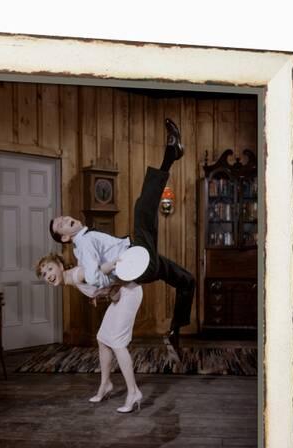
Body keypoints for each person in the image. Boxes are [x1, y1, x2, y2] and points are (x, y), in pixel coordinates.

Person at [49, 118, 195, 349]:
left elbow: (94, 279)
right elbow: (94, 276)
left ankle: (175, 332)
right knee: (142, 210)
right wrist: (107, 285)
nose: (66, 219)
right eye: (62, 225)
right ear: (65, 237)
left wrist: (104, 290)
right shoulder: (83, 244)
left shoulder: (86, 239)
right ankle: (170, 153)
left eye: (64, 218)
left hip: (142, 263)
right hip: (137, 263)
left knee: (187, 280)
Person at [35, 253, 143, 413]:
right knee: (103, 339)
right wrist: (98, 293)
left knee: (117, 342)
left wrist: (112, 286)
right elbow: (99, 282)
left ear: (60, 265)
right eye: (44, 274)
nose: (49, 275)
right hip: (121, 295)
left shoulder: (77, 275)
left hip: (129, 292)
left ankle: (134, 392)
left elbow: (106, 273)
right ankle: (105, 385)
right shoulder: (73, 279)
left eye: (50, 268)